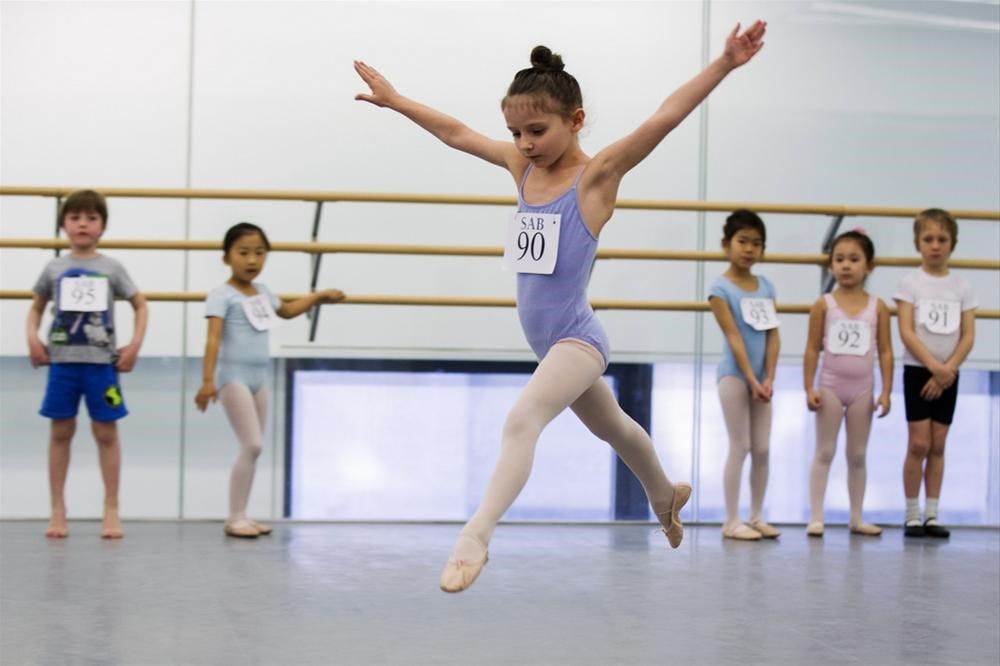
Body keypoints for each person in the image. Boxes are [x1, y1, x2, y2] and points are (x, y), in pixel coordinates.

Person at [355, 20, 766, 592]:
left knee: (522, 421)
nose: (524, 143)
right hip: (549, 343)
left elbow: (664, 118)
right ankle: (665, 493)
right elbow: (455, 132)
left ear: (575, 121)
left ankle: (475, 536)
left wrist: (723, 63)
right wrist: (397, 101)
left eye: (537, 130)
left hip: (577, 337)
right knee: (616, 429)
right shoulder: (522, 169)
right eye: (515, 131)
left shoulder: (596, 177)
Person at [194, 223, 345, 538]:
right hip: (233, 376)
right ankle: (234, 517)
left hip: (258, 377)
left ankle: (242, 515)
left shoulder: (262, 292)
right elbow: (213, 339)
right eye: (243, 253)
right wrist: (207, 381)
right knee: (252, 443)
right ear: (226, 257)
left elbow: (287, 311)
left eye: (259, 253)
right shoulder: (221, 295)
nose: (252, 260)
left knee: (253, 449)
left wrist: (317, 297)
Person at [26, 189, 148, 539]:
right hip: (62, 364)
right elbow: (36, 306)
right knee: (60, 432)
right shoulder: (54, 267)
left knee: (106, 432)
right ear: (64, 224)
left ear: (103, 226)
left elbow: (141, 304)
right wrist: (33, 337)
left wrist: (135, 345)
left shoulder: (111, 268)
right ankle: (57, 508)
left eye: (91, 218)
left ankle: (111, 507)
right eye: (75, 217)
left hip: (102, 367)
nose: (83, 224)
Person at [803, 230, 892, 537]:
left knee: (857, 455)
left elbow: (886, 351)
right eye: (839, 259)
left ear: (869, 266)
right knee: (824, 451)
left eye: (854, 259)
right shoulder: (824, 304)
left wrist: (886, 391)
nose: (846, 266)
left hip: (863, 390)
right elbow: (813, 348)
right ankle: (816, 516)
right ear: (831, 265)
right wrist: (809, 387)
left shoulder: (877, 306)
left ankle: (856, 517)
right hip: (829, 385)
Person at [894, 209, 977, 539]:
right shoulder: (910, 283)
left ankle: (932, 514)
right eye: (928, 239)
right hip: (919, 370)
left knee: (939, 445)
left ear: (952, 244)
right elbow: (907, 331)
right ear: (918, 243)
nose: (935, 246)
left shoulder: (962, 286)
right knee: (918, 444)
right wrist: (934, 367)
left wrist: (949, 370)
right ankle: (911, 514)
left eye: (942, 240)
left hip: (949, 374)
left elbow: (968, 335)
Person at [708, 210, 780, 541]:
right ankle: (731, 519)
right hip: (735, 376)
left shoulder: (765, 286)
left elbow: (773, 335)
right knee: (741, 445)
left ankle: (756, 515)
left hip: (762, 380)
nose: (749, 249)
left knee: (763, 448)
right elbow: (734, 336)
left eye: (756, 244)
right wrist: (751, 378)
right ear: (726, 244)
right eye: (742, 242)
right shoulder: (719, 289)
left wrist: (769, 378)